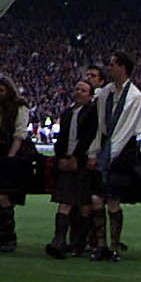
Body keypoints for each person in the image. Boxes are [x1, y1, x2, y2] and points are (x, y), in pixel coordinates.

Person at [87, 52, 141, 261]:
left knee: (112, 199)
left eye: (112, 64)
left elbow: (125, 130)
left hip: (121, 152)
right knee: (96, 198)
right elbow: (100, 126)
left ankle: (113, 246)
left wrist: (107, 155)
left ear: (123, 67)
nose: (108, 68)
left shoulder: (134, 96)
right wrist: (95, 151)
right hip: (105, 147)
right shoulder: (106, 93)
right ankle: (101, 244)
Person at [44, 78, 97, 259]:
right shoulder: (67, 113)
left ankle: (79, 243)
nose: (78, 93)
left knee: (83, 203)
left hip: (82, 162)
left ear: (90, 95)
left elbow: (88, 137)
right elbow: (61, 140)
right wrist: (61, 159)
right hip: (66, 161)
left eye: (83, 90)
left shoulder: (92, 113)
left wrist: (76, 158)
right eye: (77, 89)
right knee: (64, 201)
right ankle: (59, 240)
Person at [0, 76, 32, 253]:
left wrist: (10, 157)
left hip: (9, 153)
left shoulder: (19, 107)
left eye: (2, 90)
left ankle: (9, 238)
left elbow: (19, 134)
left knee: (4, 195)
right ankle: (0, 237)